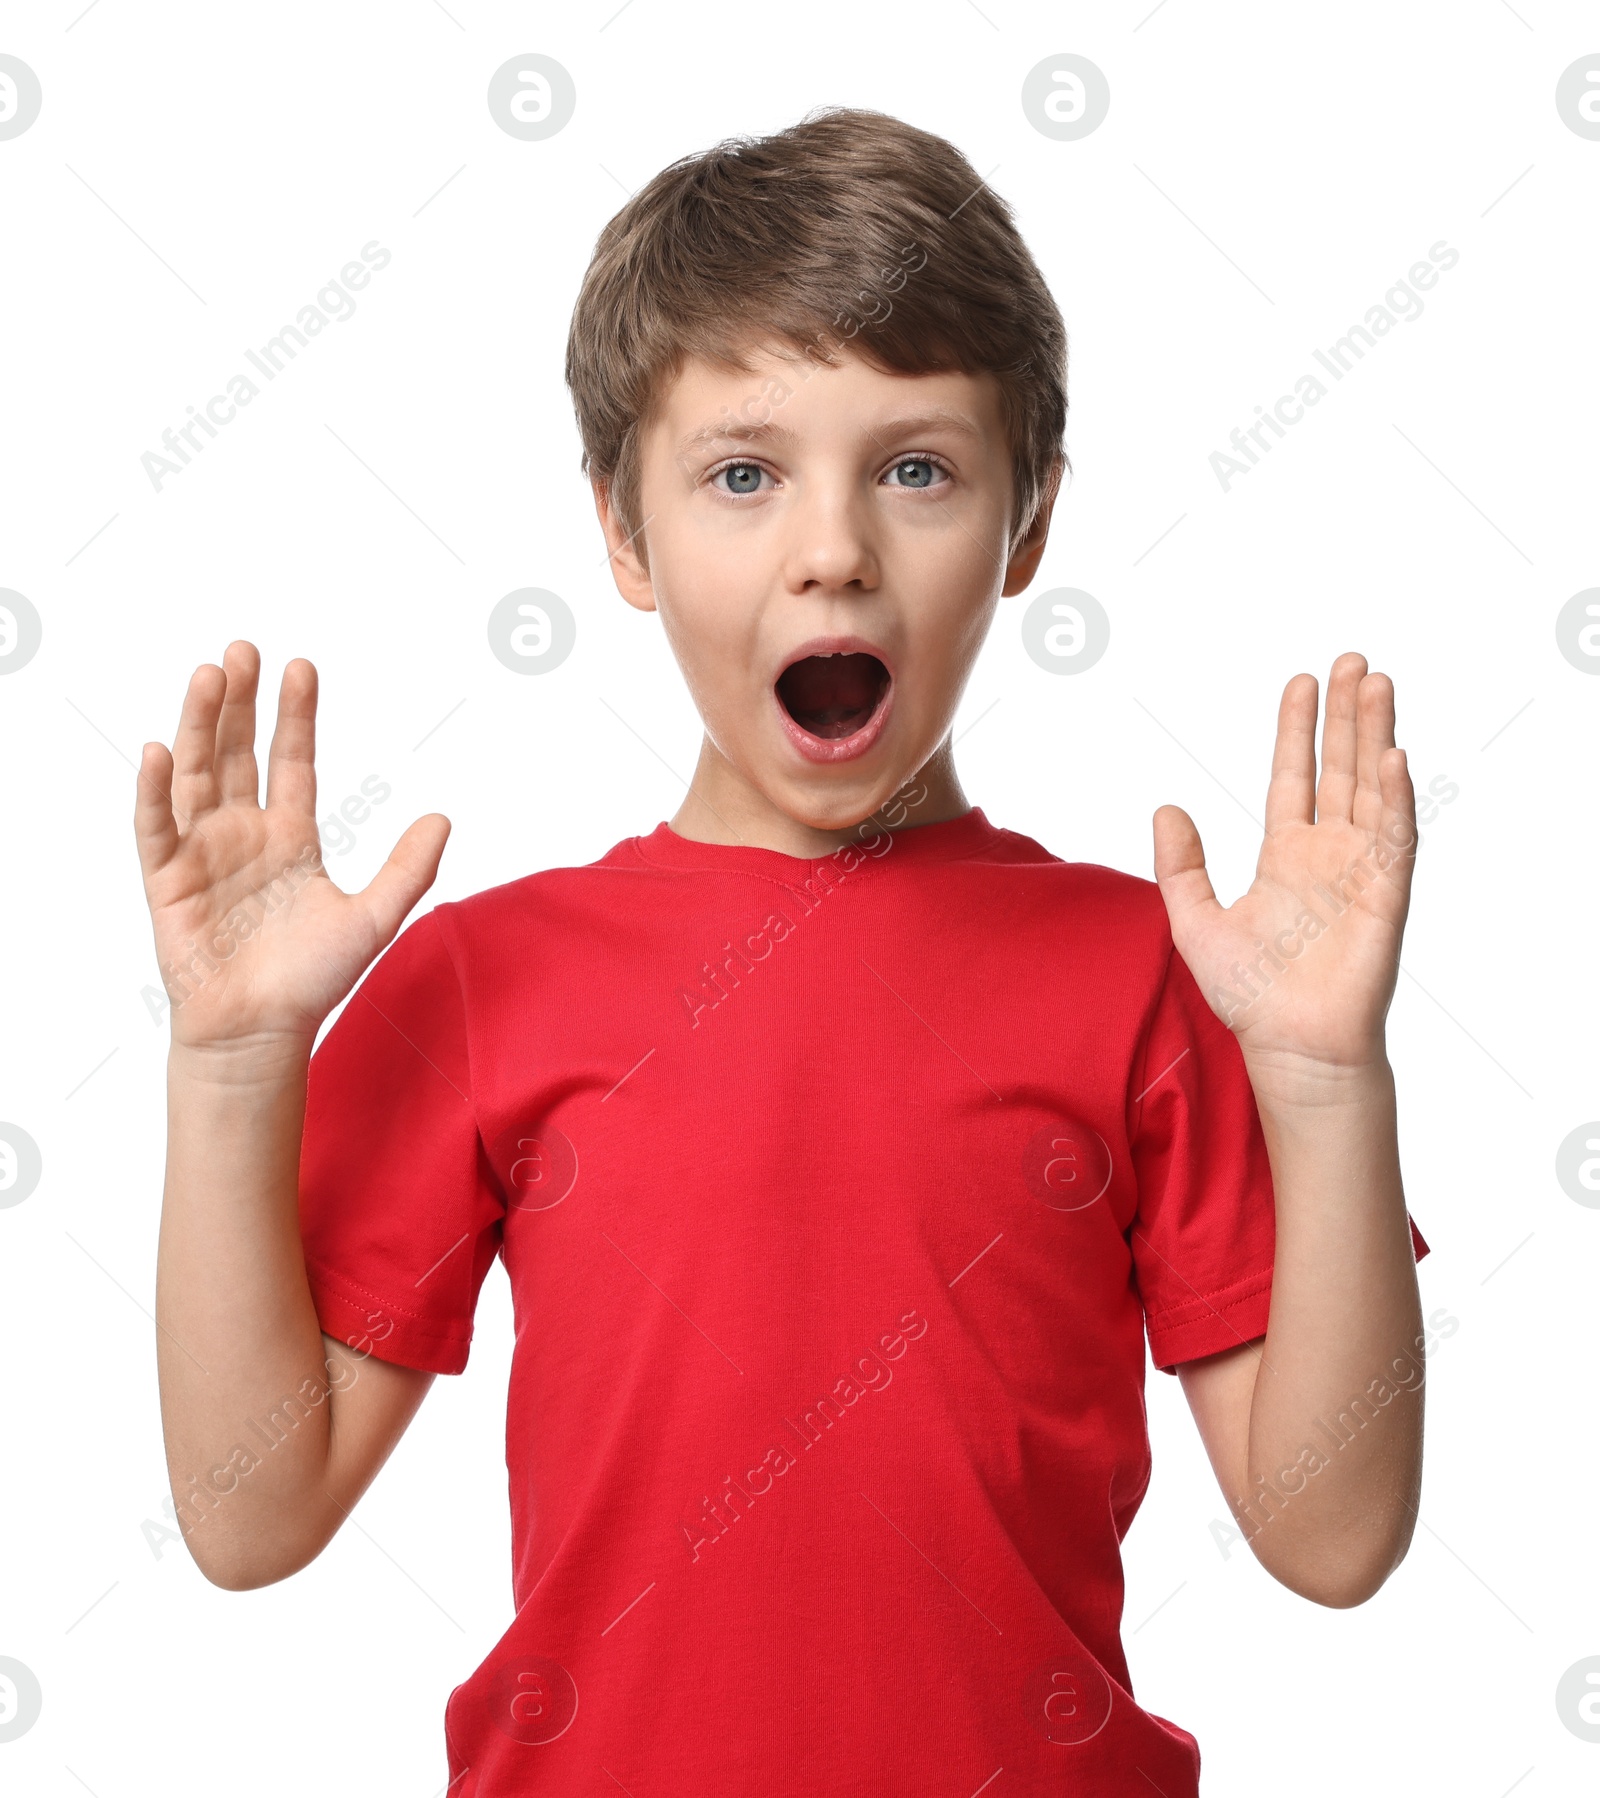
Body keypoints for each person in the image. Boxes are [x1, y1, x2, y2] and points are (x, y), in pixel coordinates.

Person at [135, 105, 1431, 1796]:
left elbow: (1333, 1540)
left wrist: (1327, 1082)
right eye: (743, 473)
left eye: (918, 468)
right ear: (624, 533)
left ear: (1026, 526)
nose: (835, 546)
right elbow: (250, 1516)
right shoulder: (482, 979)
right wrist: (235, 1066)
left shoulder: (1168, 979)